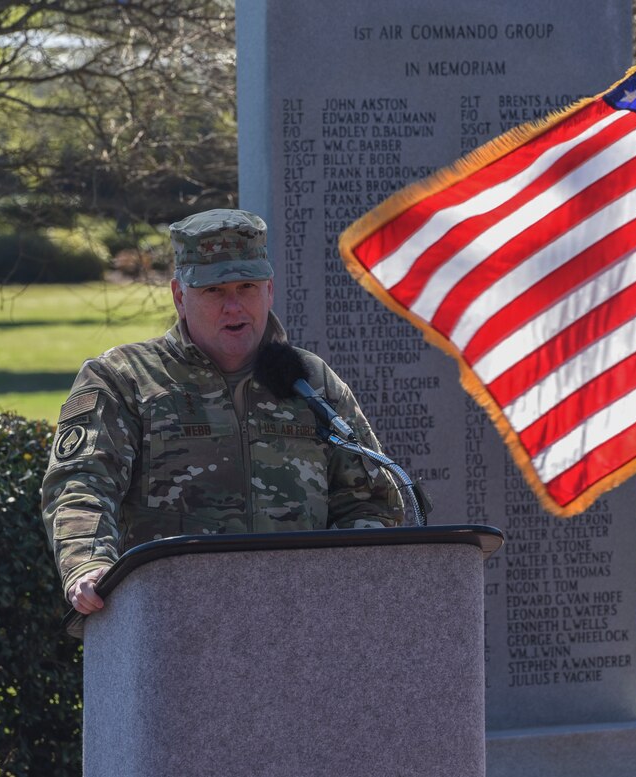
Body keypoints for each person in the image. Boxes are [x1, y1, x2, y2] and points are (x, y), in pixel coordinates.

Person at [41, 209, 403, 614]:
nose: (233, 307)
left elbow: (370, 499)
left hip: (301, 619)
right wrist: (88, 565)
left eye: (246, 287)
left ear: (269, 291)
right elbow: (81, 485)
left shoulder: (311, 382)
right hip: (169, 619)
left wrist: (348, 586)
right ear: (180, 296)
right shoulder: (124, 378)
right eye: (214, 291)